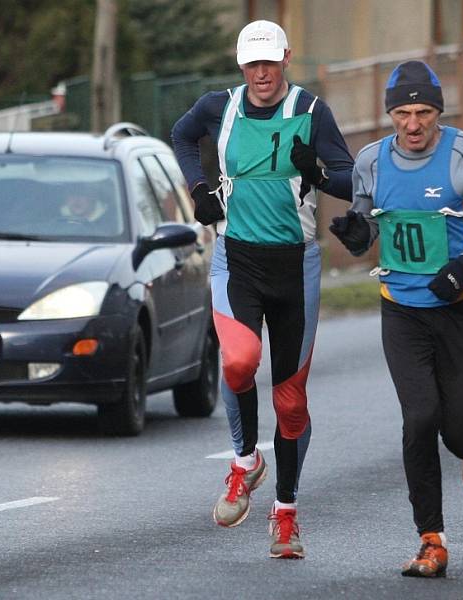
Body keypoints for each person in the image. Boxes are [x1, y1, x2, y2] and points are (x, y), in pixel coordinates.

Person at [329, 60, 463, 577]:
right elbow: (368, 225)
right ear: (389, 115)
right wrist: (355, 234)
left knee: (457, 431)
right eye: (402, 113)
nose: (413, 125)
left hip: (458, 309)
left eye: (424, 113)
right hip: (403, 312)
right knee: (419, 420)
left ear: (439, 112)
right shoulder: (370, 161)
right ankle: (430, 539)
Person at [171, 19, 353, 559]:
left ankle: (287, 514)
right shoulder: (216, 107)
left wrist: (316, 171)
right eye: (252, 64)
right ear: (240, 65)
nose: (261, 73)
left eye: (269, 62)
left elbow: (349, 177)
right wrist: (200, 188)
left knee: (290, 400)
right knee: (238, 361)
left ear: (286, 58)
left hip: (295, 268)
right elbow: (181, 138)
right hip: (237, 260)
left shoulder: (312, 111)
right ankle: (246, 460)